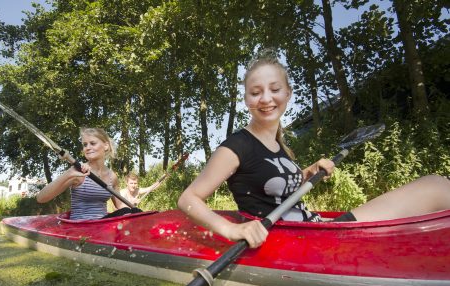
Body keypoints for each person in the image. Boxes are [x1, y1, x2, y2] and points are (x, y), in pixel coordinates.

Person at [177, 50, 450, 249]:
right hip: (305, 241)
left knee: (436, 186)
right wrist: (232, 229)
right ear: (247, 99)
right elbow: (188, 198)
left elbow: (275, 191)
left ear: (287, 93)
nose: (266, 98)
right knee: (436, 186)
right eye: (256, 91)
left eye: (275, 89)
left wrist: (306, 174)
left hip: (319, 228)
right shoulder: (236, 146)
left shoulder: (279, 145)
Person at [37, 127, 135, 220]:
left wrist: (134, 210)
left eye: (92, 143)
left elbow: (120, 205)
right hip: (81, 228)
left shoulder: (112, 177)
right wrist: (69, 173)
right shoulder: (78, 173)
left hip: (103, 225)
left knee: (127, 210)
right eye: (85, 145)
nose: (87, 148)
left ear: (106, 146)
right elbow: (41, 198)